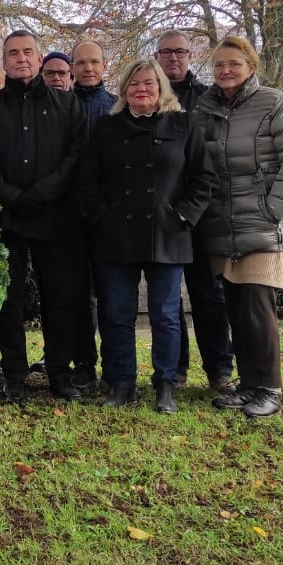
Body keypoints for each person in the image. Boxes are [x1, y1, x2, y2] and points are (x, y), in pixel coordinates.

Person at [79, 58, 214, 412]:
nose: (142, 89)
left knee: (166, 314)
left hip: (168, 234)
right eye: (135, 84)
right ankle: (121, 383)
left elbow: (203, 179)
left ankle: (165, 385)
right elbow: (88, 182)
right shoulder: (106, 128)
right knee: (117, 314)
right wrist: (102, 217)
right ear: (124, 90)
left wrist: (183, 215)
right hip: (116, 235)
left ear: (161, 89)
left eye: (149, 83)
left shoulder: (184, 124)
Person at [191, 35, 283, 419]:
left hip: (264, 226)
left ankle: (269, 389)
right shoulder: (205, 107)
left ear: (251, 67)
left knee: (258, 307)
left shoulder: (275, 103)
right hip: (224, 226)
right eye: (219, 65)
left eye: (234, 64)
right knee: (236, 307)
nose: (225, 71)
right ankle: (248, 385)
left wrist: (272, 209)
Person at [0, 30, 88, 404]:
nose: (21, 59)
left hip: (55, 218)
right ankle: (15, 375)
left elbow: (75, 157)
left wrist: (42, 194)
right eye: (12, 54)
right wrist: (11, 196)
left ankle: (59, 372)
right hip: (8, 217)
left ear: (40, 60)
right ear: (3, 62)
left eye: (27, 53)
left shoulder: (67, 105)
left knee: (60, 298)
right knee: (9, 299)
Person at [156, 29, 235, 392]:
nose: (173, 58)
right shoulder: (150, 98)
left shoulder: (209, 99)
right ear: (157, 57)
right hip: (164, 218)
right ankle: (178, 369)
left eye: (180, 52)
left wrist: (193, 208)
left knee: (208, 297)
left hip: (202, 216)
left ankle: (219, 369)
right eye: (166, 52)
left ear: (191, 56)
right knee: (169, 301)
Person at [69, 38, 114, 389]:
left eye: (93, 62)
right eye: (81, 62)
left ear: (104, 66)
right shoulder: (60, 105)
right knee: (79, 296)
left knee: (112, 293)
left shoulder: (116, 107)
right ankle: (84, 363)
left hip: (108, 217)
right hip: (69, 215)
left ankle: (115, 365)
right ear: (72, 67)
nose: (87, 68)